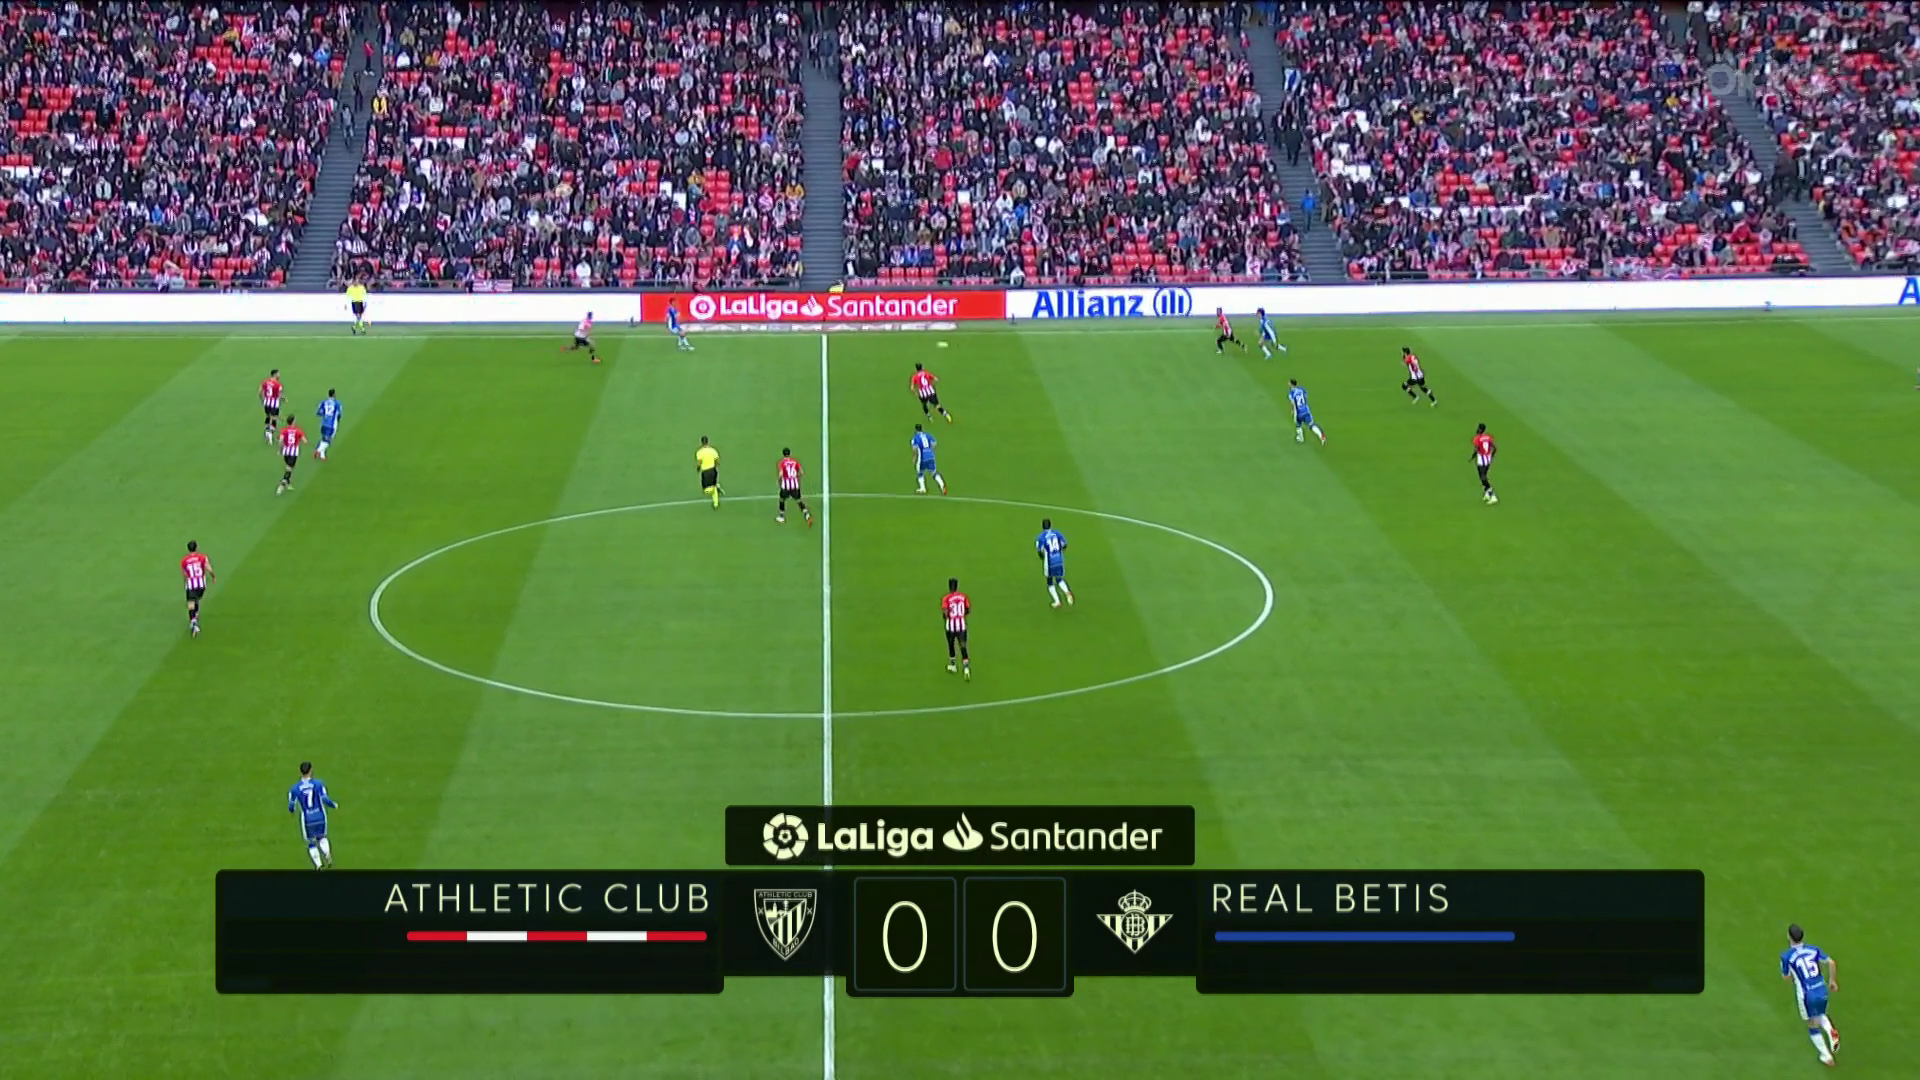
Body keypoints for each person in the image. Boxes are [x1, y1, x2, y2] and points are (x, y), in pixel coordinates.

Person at [1781, 924, 1840, 1067]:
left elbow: (1786, 977)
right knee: (1820, 1014)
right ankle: (1830, 1031)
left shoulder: (1786, 956)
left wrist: (1794, 976)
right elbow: (1831, 962)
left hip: (1806, 994)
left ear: (1789, 937)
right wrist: (1832, 981)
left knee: (1811, 1023)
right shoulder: (1813, 949)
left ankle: (1826, 1056)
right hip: (1821, 988)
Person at [287, 761, 339, 870]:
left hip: (307, 819)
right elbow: (325, 799)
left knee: (311, 843)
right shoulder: (318, 784)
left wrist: (291, 811)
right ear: (311, 770)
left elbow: (291, 804)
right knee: (322, 837)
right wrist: (334, 805)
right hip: (320, 816)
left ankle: (318, 864)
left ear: (300, 772)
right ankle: (327, 853)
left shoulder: (295, 788)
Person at [1035, 518, 1073, 608]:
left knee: (1050, 581)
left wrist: (1042, 557)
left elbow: (1040, 550)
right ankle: (1067, 592)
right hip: (1059, 560)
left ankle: (1057, 601)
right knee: (1059, 579)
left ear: (1042, 526)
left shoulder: (1041, 537)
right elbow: (1065, 544)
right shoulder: (1057, 533)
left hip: (1050, 562)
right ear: (1050, 525)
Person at [181, 541, 213, 637]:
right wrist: (213, 576)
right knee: (196, 600)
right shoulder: (202, 557)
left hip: (191, 584)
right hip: (201, 585)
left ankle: (194, 622)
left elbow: (184, 574)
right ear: (196, 548)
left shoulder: (184, 560)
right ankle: (195, 617)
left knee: (191, 604)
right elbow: (208, 568)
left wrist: (186, 582)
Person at [941, 577, 971, 679]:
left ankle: (953, 666)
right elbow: (968, 609)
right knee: (963, 646)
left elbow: (945, 612)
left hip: (951, 626)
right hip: (961, 625)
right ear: (957, 586)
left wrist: (946, 617)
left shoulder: (946, 598)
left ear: (950, 587)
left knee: (951, 645)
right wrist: (962, 616)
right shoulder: (963, 597)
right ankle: (966, 669)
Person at [776, 448, 812, 525]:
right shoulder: (795, 461)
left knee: (782, 500)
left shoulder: (781, 463)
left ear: (783, 454)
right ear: (789, 454)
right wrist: (796, 478)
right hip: (795, 485)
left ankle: (781, 517)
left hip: (785, 487)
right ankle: (807, 515)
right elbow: (801, 472)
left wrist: (778, 481)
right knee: (798, 501)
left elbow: (781, 474)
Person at [1288, 379, 1326, 445]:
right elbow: (1305, 396)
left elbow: (1292, 403)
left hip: (1298, 412)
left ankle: (1301, 439)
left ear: (1291, 384)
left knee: (1298, 425)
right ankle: (1321, 436)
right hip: (1306, 410)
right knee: (1311, 425)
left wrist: (1292, 410)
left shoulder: (1291, 393)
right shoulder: (1302, 389)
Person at [911, 424, 946, 494]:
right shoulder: (928, 435)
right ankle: (942, 485)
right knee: (933, 472)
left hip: (922, 458)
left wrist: (914, 458)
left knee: (920, 473)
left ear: (916, 430)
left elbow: (914, 449)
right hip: (931, 456)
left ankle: (923, 488)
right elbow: (934, 443)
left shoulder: (915, 438)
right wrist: (931, 451)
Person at [277, 418, 306, 494]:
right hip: (293, 453)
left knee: (289, 468)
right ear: (293, 422)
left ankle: (289, 484)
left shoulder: (284, 430)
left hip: (285, 452)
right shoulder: (298, 430)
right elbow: (304, 440)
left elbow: (280, 441)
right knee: (289, 469)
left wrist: (279, 450)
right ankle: (282, 485)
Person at [1472, 423, 1498, 504]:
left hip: (1481, 460)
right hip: (1488, 459)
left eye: (1478, 428)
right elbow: (1495, 448)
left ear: (1480, 430)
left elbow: (1476, 449)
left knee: (1483, 477)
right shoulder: (1489, 437)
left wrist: (1472, 457)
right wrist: (1491, 456)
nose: (1477, 429)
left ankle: (1492, 495)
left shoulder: (1477, 438)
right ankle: (1487, 493)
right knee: (1483, 477)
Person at [314, 389, 343, 460]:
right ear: (334, 395)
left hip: (323, 424)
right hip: (332, 425)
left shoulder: (323, 402)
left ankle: (322, 456)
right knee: (329, 440)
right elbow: (339, 414)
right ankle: (318, 450)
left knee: (324, 439)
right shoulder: (337, 403)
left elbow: (319, 413)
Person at [696, 436, 722, 509]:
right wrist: (715, 466)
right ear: (708, 442)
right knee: (712, 487)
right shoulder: (713, 450)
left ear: (702, 443)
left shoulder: (700, 452)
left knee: (706, 491)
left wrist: (698, 468)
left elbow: (699, 462)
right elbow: (717, 460)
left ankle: (716, 488)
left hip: (706, 472)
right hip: (713, 470)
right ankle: (716, 503)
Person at [260, 368, 283, 444]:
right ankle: (269, 434)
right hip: (274, 404)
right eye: (278, 374)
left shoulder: (265, 382)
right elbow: (279, 395)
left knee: (268, 417)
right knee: (274, 418)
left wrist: (263, 400)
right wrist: (282, 399)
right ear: (275, 374)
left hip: (266, 403)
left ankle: (267, 432)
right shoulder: (278, 384)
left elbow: (260, 391)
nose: (279, 375)